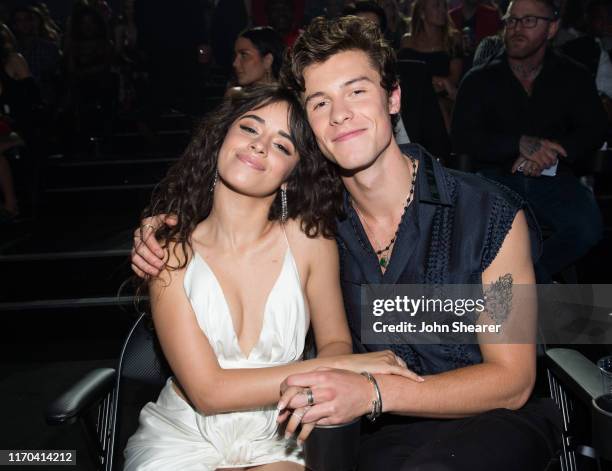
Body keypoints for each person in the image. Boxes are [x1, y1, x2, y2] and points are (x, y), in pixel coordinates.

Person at [131, 15, 560, 470]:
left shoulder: (489, 214)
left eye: (356, 91)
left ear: (392, 97)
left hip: (491, 422)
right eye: (320, 103)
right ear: (310, 132)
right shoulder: (319, 225)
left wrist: (375, 391)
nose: (340, 114)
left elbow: (512, 381)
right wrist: (156, 232)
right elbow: (236, 218)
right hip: (373, 433)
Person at [124, 84, 419, 470]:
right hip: (184, 435)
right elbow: (209, 392)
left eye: (282, 146)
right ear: (221, 139)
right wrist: (350, 367)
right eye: (249, 128)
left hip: (282, 428)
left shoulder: (309, 241)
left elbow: (333, 341)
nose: (260, 146)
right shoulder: (169, 251)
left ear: (290, 175)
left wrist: (331, 372)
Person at [451, 0, 606, 282]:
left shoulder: (573, 76)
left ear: (552, 28)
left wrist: (554, 152)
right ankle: (538, 291)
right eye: (511, 21)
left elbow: (595, 129)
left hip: (555, 177)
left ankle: (529, 280)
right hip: (496, 180)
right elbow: (463, 136)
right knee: (489, 235)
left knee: (588, 226)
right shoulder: (480, 79)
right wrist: (518, 144)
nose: (516, 29)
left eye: (528, 21)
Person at [399, 0, 463, 130]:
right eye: (436, 6)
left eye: (444, 6)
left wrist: (436, 83)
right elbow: (403, 74)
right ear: (422, 13)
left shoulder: (453, 39)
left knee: (437, 105)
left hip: (444, 97)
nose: (442, 10)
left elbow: (454, 77)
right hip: (413, 97)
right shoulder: (407, 41)